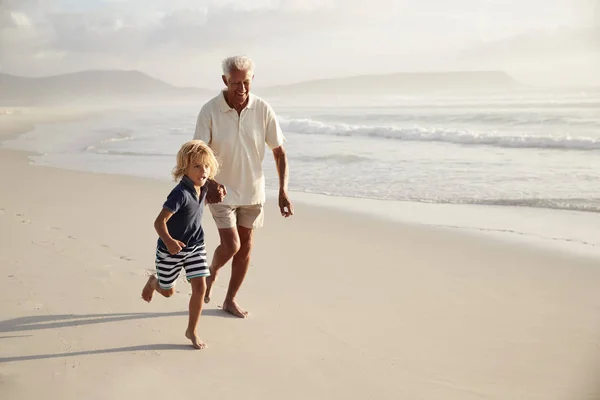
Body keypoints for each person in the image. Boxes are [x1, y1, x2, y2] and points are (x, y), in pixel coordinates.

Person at [194, 55, 293, 318]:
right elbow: (199, 154)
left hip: (253, 191)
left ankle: (230, 299)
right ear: (225, 80)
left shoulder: (262, 109)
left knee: (245, 246)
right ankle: (212, 271)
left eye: (246, 82)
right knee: (231, 245)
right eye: (235, 83)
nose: (241, 89)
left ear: (252, 80)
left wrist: (282, 191)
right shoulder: (210, 110)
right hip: (220, 190)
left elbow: (279, 152)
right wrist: (210, 183)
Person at [141, 139, 220, 349]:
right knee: (168, 292)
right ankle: (153, 282)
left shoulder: (202, 187)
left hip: (195, 246)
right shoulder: (179, 194)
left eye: (206, 165)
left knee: (200, 286)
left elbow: (199, 204)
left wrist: (217, 192)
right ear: (184, 169)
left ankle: (191, 330)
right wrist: (169, 241)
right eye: (196, 166)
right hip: (169, 251)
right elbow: (159, 222)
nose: (203, 170)